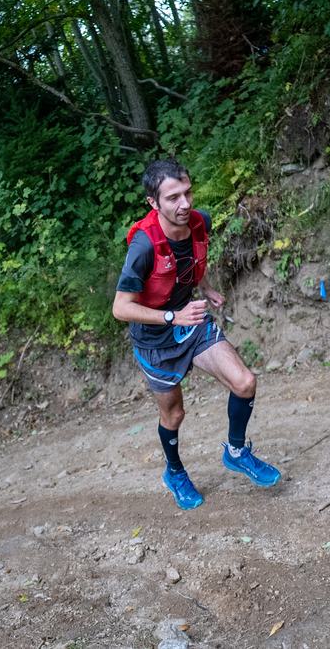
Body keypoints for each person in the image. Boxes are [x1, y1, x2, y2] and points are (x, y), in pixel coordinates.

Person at [112, 159, 280, 510]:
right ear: (153, 203)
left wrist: (206, 287)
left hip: (190, 322)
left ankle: (236, 452)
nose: (185, 204)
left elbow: (188, 261)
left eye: (187, 193)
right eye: (173, 197)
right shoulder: (143, 246)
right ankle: (175, 472)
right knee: (174, 415)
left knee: (245, 382)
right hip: (155, 340)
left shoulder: (199, 222)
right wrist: (172, 316)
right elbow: (121, 308)